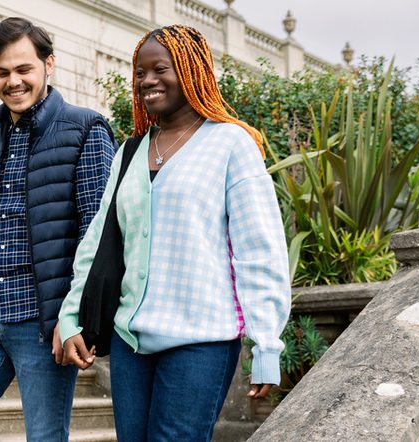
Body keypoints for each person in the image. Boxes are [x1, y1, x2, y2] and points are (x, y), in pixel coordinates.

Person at [57, 25, 291, 440]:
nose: (147, 80)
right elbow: (99, 241)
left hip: (200, 341)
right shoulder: (130, 151)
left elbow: (259, 251)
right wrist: (71, 315)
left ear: (191, 70)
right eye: (140, 72)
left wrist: (267, 344)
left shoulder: (231, 144)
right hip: (131, 340)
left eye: (159, 69)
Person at [0, 17, 117, 442]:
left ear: (47, 65)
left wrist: (74, 316)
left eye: (23, 69)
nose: (12, 81)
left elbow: (99, 231)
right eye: (2, 72)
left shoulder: (87, 129)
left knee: (46, 437)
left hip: (42, 317)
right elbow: (10, 222)